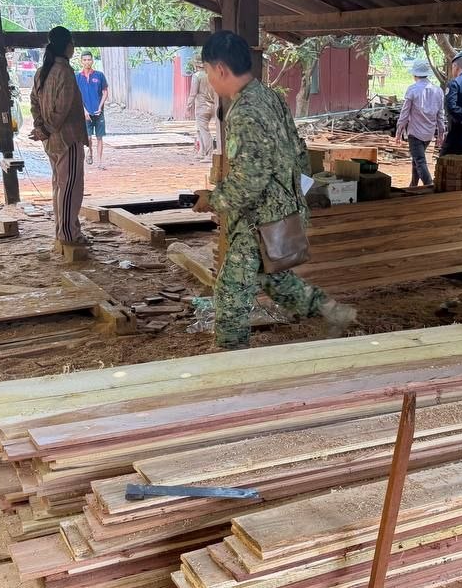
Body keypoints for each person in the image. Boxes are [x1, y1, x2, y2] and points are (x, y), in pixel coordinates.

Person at [190, 30, 356, 350]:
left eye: (208, 71)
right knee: (273, 278)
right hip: (281, 211)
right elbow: (298, 151)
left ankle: (230, 354)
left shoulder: (245, 111)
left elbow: (249, 179)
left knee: (231, 290)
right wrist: (296, 199)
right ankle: (333, 312)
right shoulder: (270, 97)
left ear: (220, 69)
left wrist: (213, 199)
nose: (208, 80)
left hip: (259, 220)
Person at [29, 26, 90, 257]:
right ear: (67, 46)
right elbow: (62, 109)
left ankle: (64, 230)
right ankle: (68, 234)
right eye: (72, 43)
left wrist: (40, 128)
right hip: (67, 138)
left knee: (60, 186)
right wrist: (45, 128)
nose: (73, 47)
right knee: (70, 187)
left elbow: (34, 102)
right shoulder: (64, 72)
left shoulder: (41, 72)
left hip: (51, 140)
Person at [394, 61, 445, 188]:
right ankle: (413, 185)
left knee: (420, 160)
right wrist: (441, 134)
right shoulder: (438, 91)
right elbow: (440, 115)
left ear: (415, 75)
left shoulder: (412, 90)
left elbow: (404, 114)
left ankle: (429, 185)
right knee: (416, 159)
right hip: (429, 133)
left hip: (415, 133)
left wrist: (399, 132)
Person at [75, 51, 109, 169]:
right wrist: (84, 111)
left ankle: (100, 162)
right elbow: (76, 97)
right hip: (85, 113)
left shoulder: (99, 75)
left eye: (89, 59)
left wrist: (100, 107)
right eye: (84, 60)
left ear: (92, 61)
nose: (87, 62)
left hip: (98, 113)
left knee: (99, 137)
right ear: (81, 62)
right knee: (88, 137)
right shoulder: (77, 77)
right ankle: (90, 151)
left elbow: (105, 92)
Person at [186, 60, 219, 162]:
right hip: (213, 106)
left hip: (202, 106)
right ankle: (201, 152)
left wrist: (188, 107)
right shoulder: (212, 75)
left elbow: (193, 93)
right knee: (199, 129)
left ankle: (209, 155)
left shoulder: (197, 76)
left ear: (196, 66)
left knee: (204, 130)